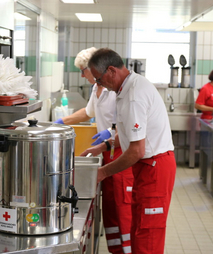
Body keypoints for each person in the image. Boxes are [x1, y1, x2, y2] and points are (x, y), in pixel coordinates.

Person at [81, 48, 176, 254]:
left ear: (112, 71)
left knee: (147, 235)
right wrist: (102, 146)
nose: (98, 84)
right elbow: (128, 135)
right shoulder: (125, 90)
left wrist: (103, 172)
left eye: (99, 79)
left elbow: (136, 151)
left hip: (155, 168)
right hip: (146, 168)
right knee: (137, 229)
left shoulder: (134, 95)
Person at [55, 47, 134, 254]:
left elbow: (125, 121)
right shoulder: (95, 89)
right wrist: (62, 122)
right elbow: (88, 112)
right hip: (106, 151)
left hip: (120, 150)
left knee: (122, 207)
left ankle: (128, 250)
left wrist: (109, 133)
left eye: (84, 70)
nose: (83, 74)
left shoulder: (113, 88)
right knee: (110, 207)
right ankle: (117, 250)